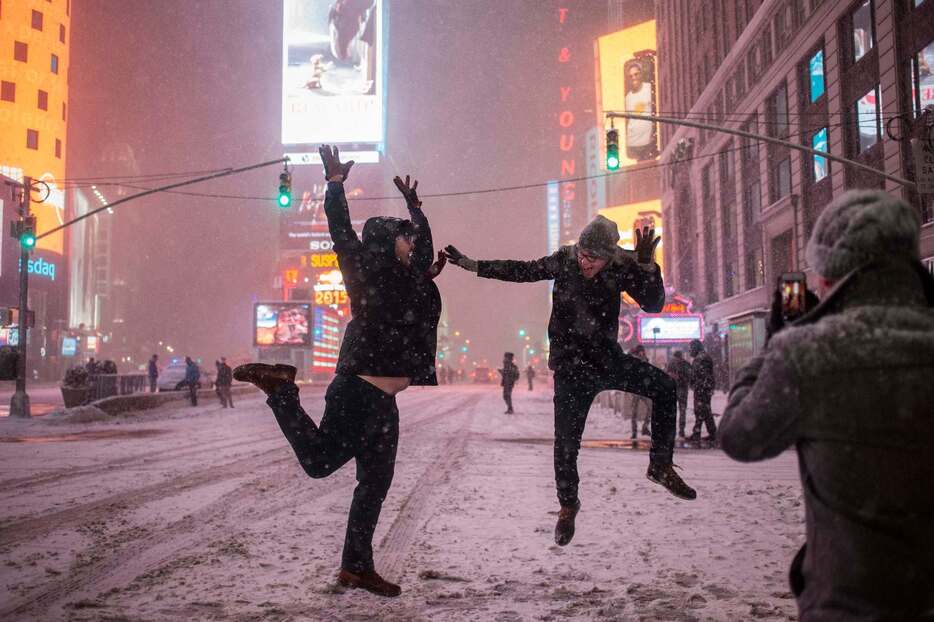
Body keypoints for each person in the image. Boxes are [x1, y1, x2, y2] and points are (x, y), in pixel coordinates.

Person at [234, 146, 443, 598]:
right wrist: (334, 185)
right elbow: (340, 231)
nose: (412, 243)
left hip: (383, 401)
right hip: (358, 392)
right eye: (404, 236)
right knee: (319, 463)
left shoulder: (411, 277)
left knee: (376, 483)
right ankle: (280, 390)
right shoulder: (364, 267)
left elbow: (424, 246)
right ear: (387, 240)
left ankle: (355, 566)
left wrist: (416, 210)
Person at [719, 190, 934, 619]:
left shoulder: (805, 355)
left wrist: (777, 344)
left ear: (832, 277)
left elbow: (740, 436)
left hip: (847, 605)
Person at [445, 215, 696, 548]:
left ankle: (660, 466)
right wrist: (474, 265)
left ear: (609, 256)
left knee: (665, 387)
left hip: (607, 361)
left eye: (593, 258)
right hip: (570, 370)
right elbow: (522, 271)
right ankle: (567, 505)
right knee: (565, 444)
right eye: (582, 254)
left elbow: (654, 304)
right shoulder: (565, 259)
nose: (585, 262)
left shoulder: (621, 265)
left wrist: (649, 267)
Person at [687, 339, 716, 442]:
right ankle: (712, 433)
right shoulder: (702, 357)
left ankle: (698, 433)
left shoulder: (701, 358)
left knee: (700, 410)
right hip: (703, 388)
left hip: (702, 389)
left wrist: (697, 384)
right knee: (705, 411)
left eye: (691, 348)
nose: (690, 351)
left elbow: (700, 375)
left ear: (695, 348)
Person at [665, 350, 692, 438]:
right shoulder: (685, 364)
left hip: (674, 390)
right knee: (682, 411)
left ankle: (673, 430)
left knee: (674, 411)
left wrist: (676, 377)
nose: (676, 360)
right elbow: (689, 377)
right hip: (682, 390)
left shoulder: (670, 364)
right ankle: (681, 430)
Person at [628, 345, 652, 438]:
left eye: (643, 351)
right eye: (641, 351)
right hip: (635, 389)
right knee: (634, 411)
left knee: (651, 407)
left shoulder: (644, 359)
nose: (642, 353)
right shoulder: (633, 359)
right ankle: (634, 432)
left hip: (642, 389)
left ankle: (644, 428)